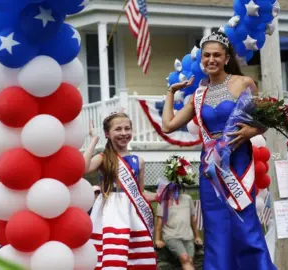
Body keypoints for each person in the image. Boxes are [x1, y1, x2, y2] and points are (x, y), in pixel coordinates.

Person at [161, 31, 274, 269]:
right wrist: (171, 92)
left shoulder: (243, 83)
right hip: (211, 166)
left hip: (238, 161)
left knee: (245, 222)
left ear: (226, 58)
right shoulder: (197, 95)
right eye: (206, 56)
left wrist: (250, 132)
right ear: (201, 59)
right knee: (217, 226)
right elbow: (168, 125)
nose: (210, 60)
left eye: (216, 55)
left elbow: (268, 120)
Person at [84, 112, 156, 269]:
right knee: (112, 255)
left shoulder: (139, 161)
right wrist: (94, 141)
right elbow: (82, 167)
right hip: (109, 212)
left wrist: (161, 195)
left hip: (132, 215)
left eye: (127, 128)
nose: (124, 133)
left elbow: (140, 194)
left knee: (134, 257)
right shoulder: (103, 157)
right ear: (107, 134)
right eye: (118, 129)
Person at [154, 193, 202, 270]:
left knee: (189, 260)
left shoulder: (188, 198)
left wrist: (197, 236)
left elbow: (193, 219)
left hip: (187, 235)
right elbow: (159, 221)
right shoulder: (164, 200)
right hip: (171, 235)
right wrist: (157, 240)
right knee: (184, 258)